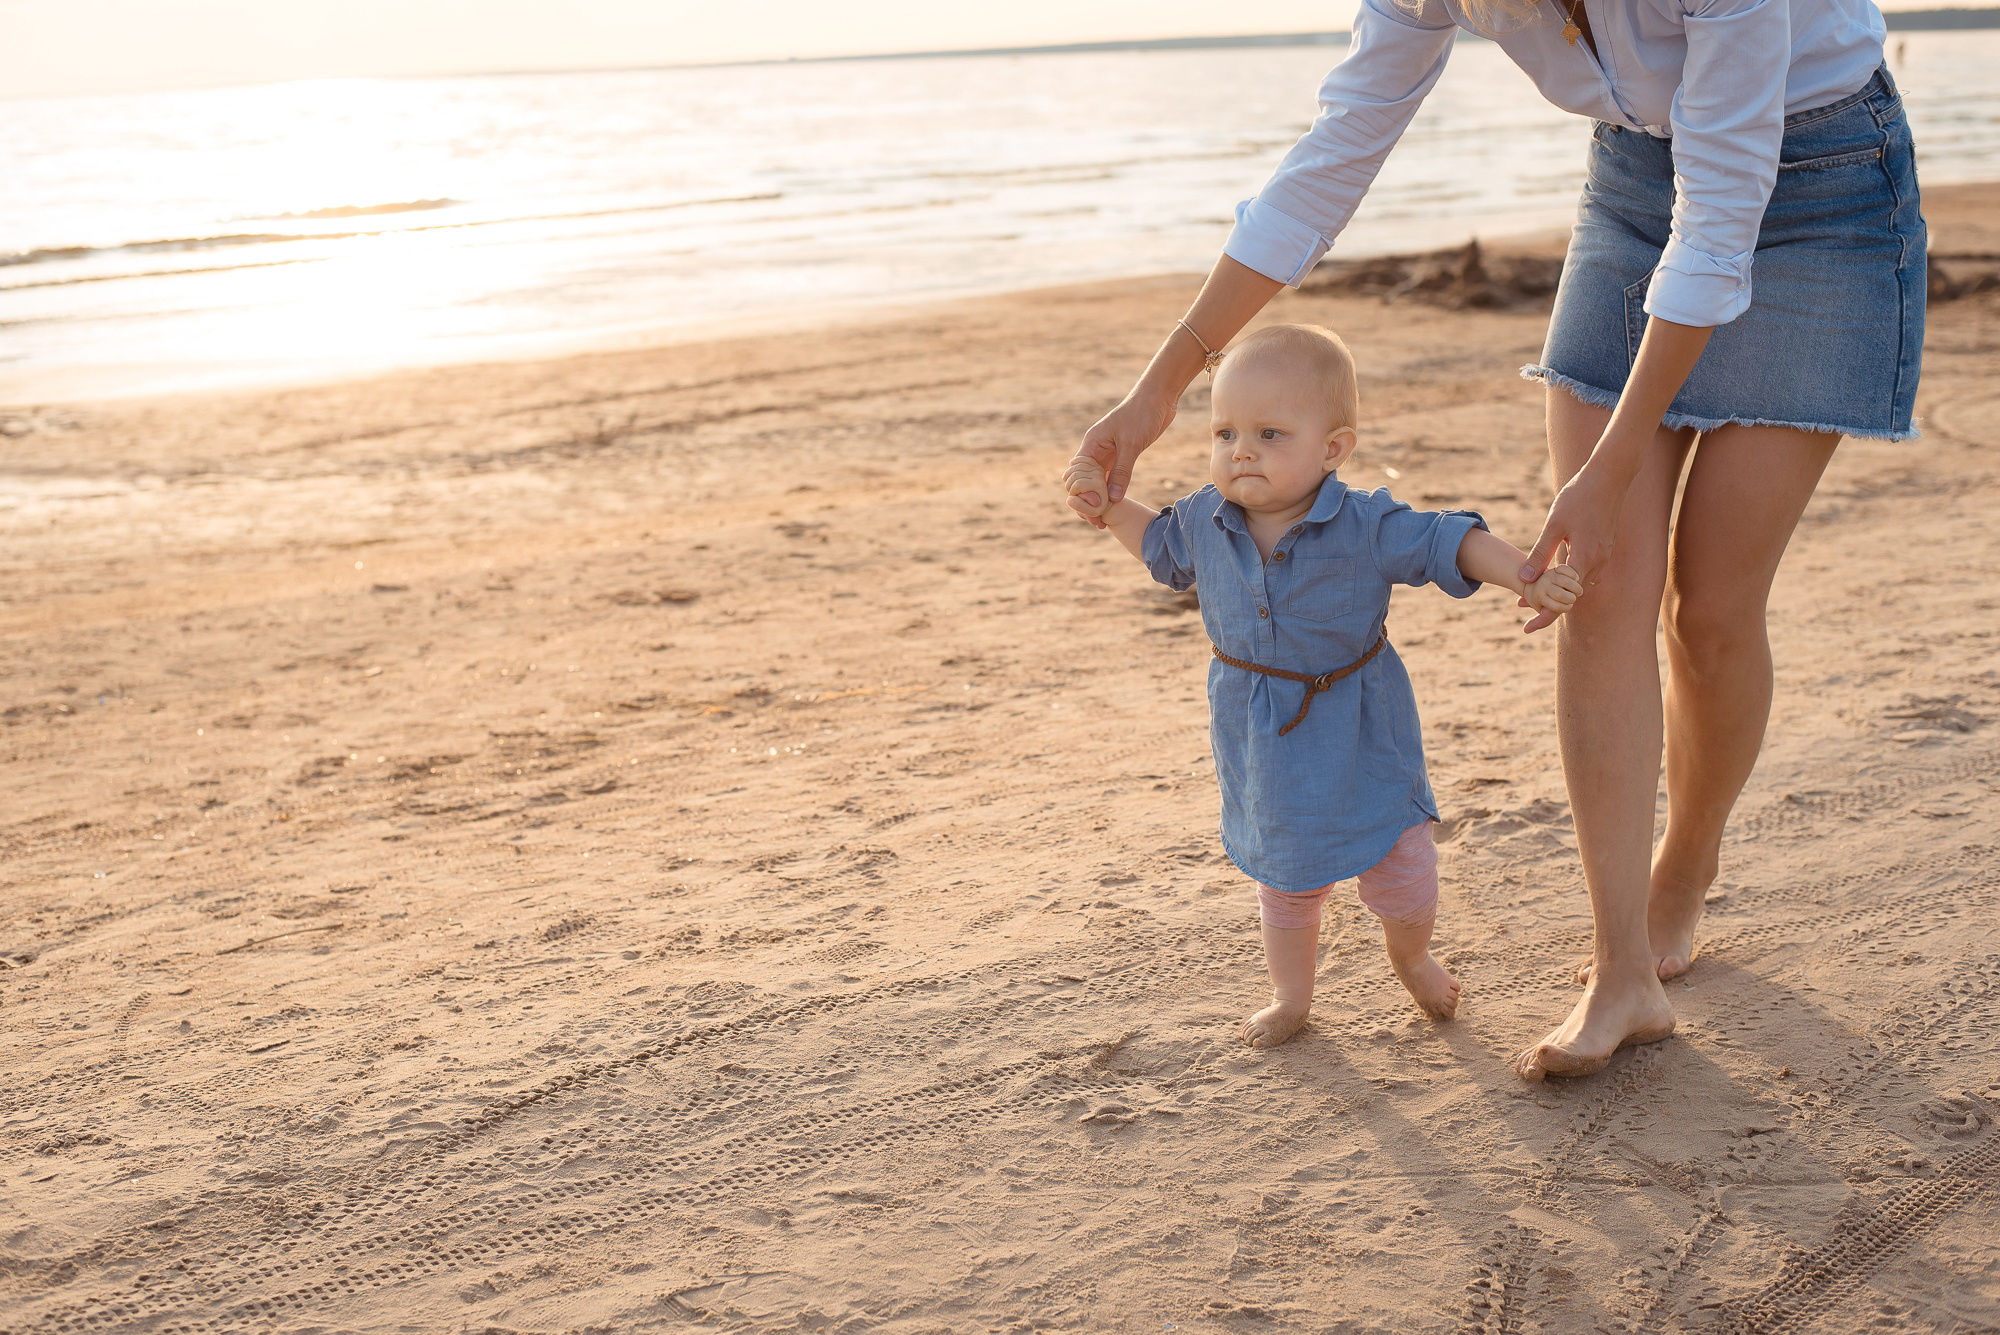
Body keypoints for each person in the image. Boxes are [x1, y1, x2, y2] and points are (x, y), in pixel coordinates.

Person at [1068, 0, 1922, 1079]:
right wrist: (1156, 391)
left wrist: (1608, 466)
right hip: (1633, 182)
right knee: (1595, 583)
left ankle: (1685, 862)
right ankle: (1624, 977)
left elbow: (1720, 218)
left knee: (1706, 612)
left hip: (1823, 186)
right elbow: (1333, 156)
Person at [1064, 324, 1582, 1047]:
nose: (1241, 450)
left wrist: (1524, 573)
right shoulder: (1203, 521)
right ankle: (1292, 997)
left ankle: (1413, 957)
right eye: (1224, 432)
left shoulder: (1364, 523)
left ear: (1333, 449)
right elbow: (1160, 549)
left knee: (1402, 866)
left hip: (1361, 723)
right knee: (1286, 874)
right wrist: (1106, 504)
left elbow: (1446, 540)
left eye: (1271, 433)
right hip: (1264, 736)